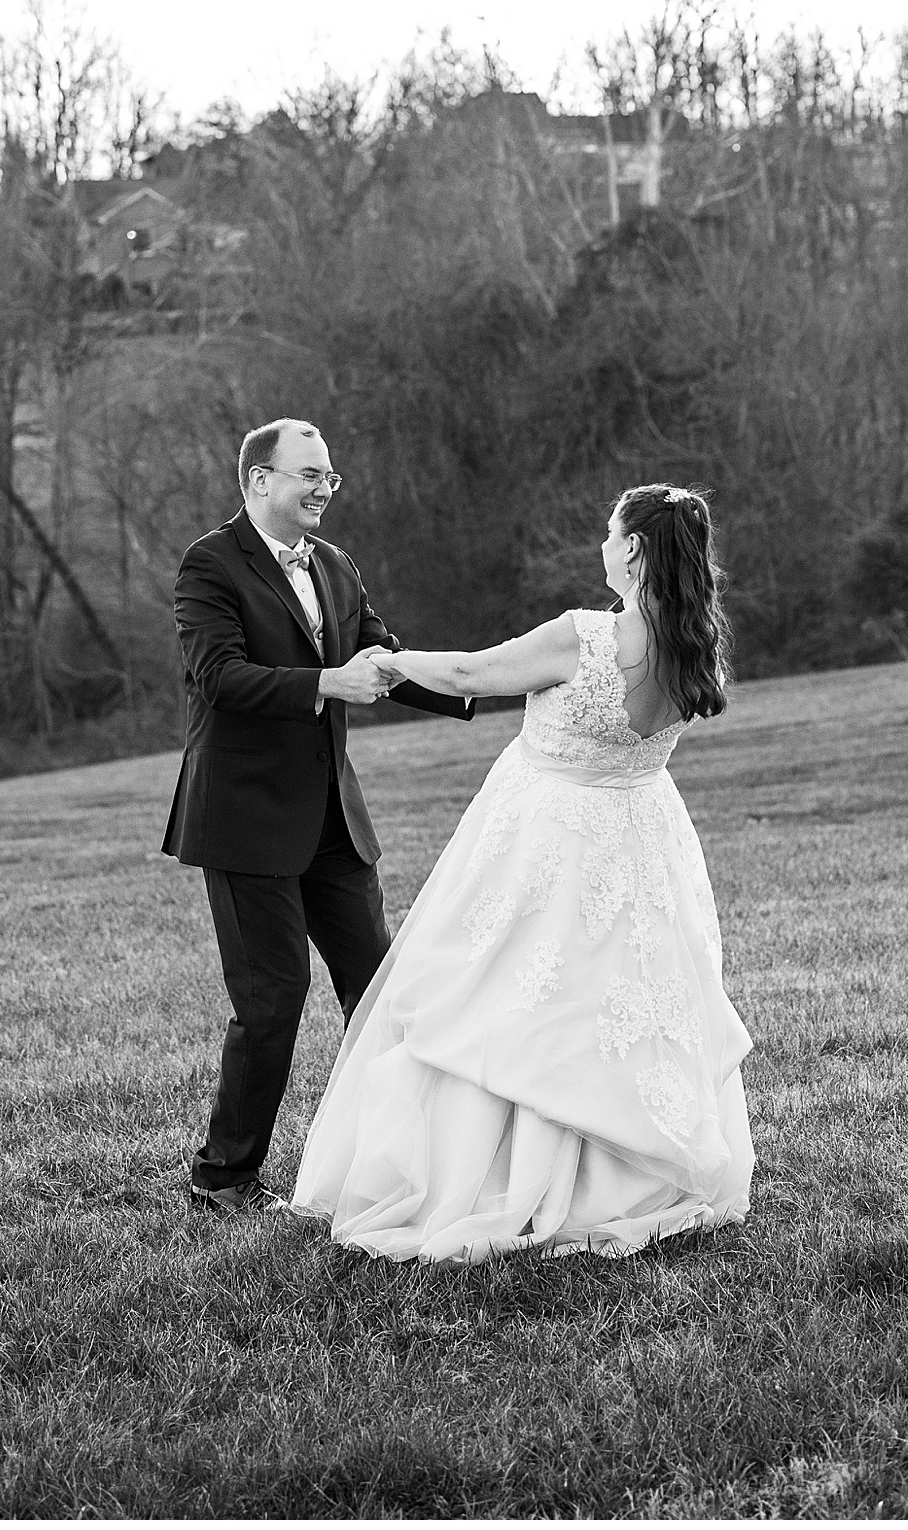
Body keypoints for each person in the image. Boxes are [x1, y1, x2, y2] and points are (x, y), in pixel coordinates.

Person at [292, 483, 754, 1261]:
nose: (603, 541)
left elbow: (474, 673)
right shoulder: (692, 639)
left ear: (634, 549)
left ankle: (497, 1180)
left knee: (508, 992)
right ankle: (627, 1166)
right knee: (616, 997)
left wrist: (390, 662)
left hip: (550, 837)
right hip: (638, 835)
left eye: (611, 530)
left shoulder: (588, 636)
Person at [161, 417, 475, 1215]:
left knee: (380, 992)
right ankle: (222, 1177)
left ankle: (404, 1161)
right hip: (244, 817)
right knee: (272, 999)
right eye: (310, 475)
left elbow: (382, 658)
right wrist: (325, 684)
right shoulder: (210, 564)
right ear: (260, 480)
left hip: (335, 821)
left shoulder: (336, 565)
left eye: (330, 477)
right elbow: (219, 678)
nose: (325, 490)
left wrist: (484, 686)